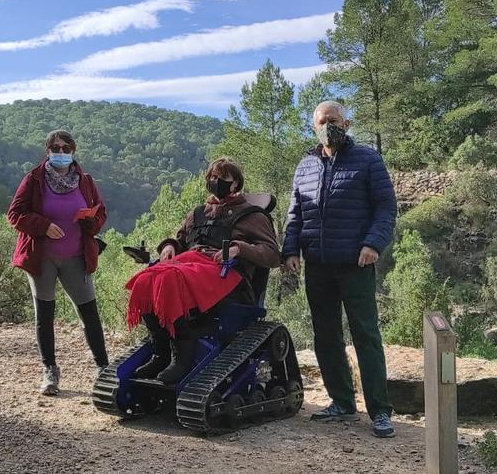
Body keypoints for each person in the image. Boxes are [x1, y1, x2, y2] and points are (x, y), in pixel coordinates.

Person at [282, 101, 399, 438]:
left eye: (333, 120)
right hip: (317, 265)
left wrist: (373, 244)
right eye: (322, 121)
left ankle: (380, 411)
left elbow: (385, 208)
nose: (327, 125)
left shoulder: (368, 161)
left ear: (346, 123)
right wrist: (290, 250)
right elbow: (295, 214)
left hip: (355, 264)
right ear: (314, 126)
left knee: (366, 335)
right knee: (326, 336)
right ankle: (342, 403)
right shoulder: (305, 165)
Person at [124, 158, 280, 383]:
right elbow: (180, 240)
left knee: (169, 278)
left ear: (235, 183)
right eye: (212, 178)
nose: (215, 182)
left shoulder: (252, 215)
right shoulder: (198, 213)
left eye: (222, 178)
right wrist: (169, 246)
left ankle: (182, 357)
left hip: (227, 274)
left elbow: (272, 255)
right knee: (146, 279)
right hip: (192, 264)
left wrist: (239, 248)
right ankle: (161, 352)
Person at [8, 129, 109, 396]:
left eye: (66, 148)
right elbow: (15, 214)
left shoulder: (85, 181)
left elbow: (101, 212)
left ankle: (104, 369)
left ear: (73, 151)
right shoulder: (34, 179)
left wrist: (91, 221)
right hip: (42, 258)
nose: (61, 152)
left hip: (77, 255)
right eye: (56, 148)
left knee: (89, 313)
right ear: (47, 151)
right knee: (45, 315)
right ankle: (50, 370)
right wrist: (43, 225)